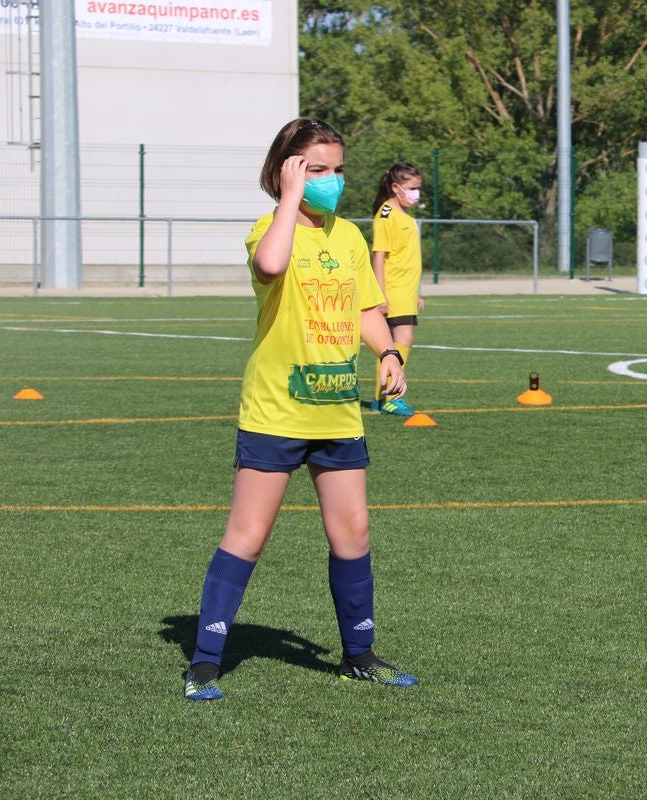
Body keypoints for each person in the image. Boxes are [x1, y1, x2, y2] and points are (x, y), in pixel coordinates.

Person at [183, 117, 418, 701]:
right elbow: (270, 266)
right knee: (250, 534)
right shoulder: (271, 227)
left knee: (353, 532)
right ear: (286, 170)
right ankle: (206, 660)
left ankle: (358, 654)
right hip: (276, 410)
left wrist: (387, 350)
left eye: (337, 170)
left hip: (337, 409)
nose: (330, 182)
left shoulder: (350, 236)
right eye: (316, 171)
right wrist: (289, 199)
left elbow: (367, 306)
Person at [367, 162, 425, 416]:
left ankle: (382, 397)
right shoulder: (387, 215)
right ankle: (391, 396)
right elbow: (378, 256)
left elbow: (405, 258)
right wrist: (380, 294)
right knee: (402, 340)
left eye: (419, 188)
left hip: (405, 292)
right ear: (395, 187)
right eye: (412, 188)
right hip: (393, 290)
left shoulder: (404, 216)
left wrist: (416, 293)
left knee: (396, 342)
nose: (416, 194)